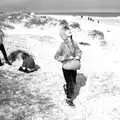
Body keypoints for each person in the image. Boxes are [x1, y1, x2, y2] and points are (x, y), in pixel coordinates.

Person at [54, 26, 82, 107]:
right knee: (71, 84)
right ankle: (68, 99)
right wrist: (66, 58)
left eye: (69, 30)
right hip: (66, 67)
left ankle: (66, 87)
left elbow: (79, 51)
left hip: (74, 66)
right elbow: (56, 56)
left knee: (73, 82)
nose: (69, 31)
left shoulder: (74, 42)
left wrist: (78, 56)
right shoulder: (62, 45)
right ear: (63, 34)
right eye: (67, 31)